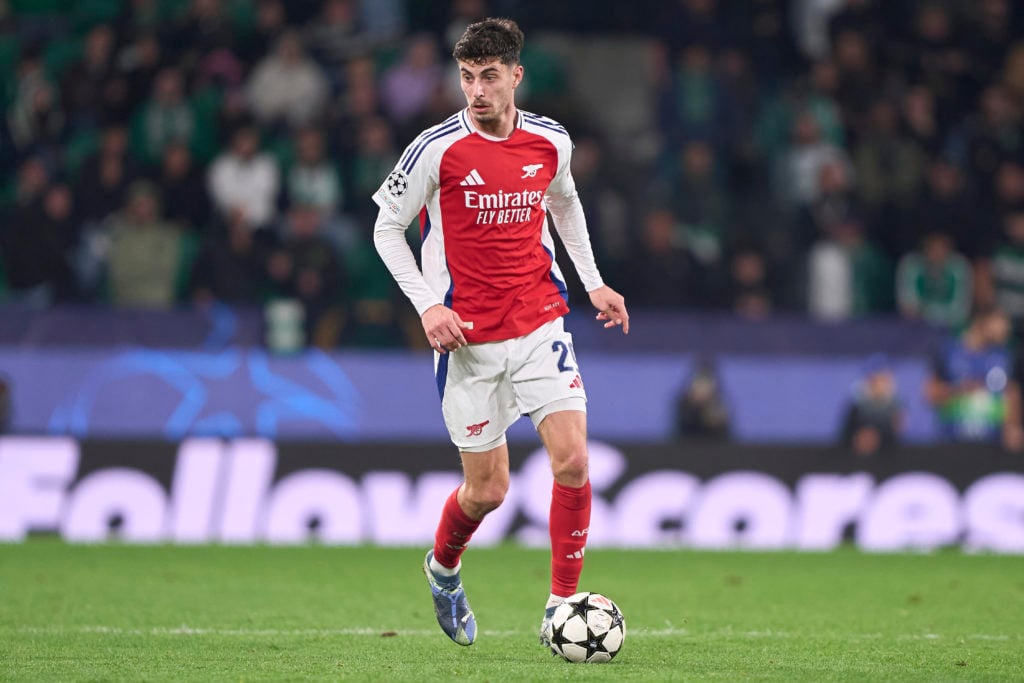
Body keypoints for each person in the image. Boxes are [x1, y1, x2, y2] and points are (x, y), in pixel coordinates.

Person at [371, 18, 628, 648]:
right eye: (466, 78)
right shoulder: (434, 149)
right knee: (487, 491)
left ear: (516, 75)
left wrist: (592, 282)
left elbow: (564, 202)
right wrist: (429, 306)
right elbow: (385, 230)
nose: (476, 91)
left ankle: (561, 605)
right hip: (468, 341)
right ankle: (443, 568)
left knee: (572, 460)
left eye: (489, 77)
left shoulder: (550, 141)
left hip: (541, 319)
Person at [925, 305, 1022, 450]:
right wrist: (958, 389)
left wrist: (1013, 427)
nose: (1006, 327)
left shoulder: (1005, 356)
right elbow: (930, 393)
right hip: (951, 444)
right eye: (999, 320)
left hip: (994, 448)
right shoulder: (948, 351)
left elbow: (1012, 394)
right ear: (981, 321)